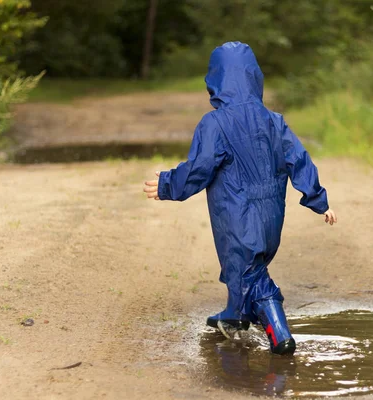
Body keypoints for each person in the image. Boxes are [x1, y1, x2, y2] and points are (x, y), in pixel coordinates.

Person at [143, 41, 337, 355]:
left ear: (215, 79)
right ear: (254, 78)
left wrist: (168, 185)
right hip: (272, 213)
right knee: (245, 265)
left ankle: (278, 330)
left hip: (234, 212)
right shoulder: (274, 121)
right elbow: (299, 159)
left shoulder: (215, 123)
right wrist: (319, 199)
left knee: (248, 269)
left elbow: (200, 168)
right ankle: (234, 316)